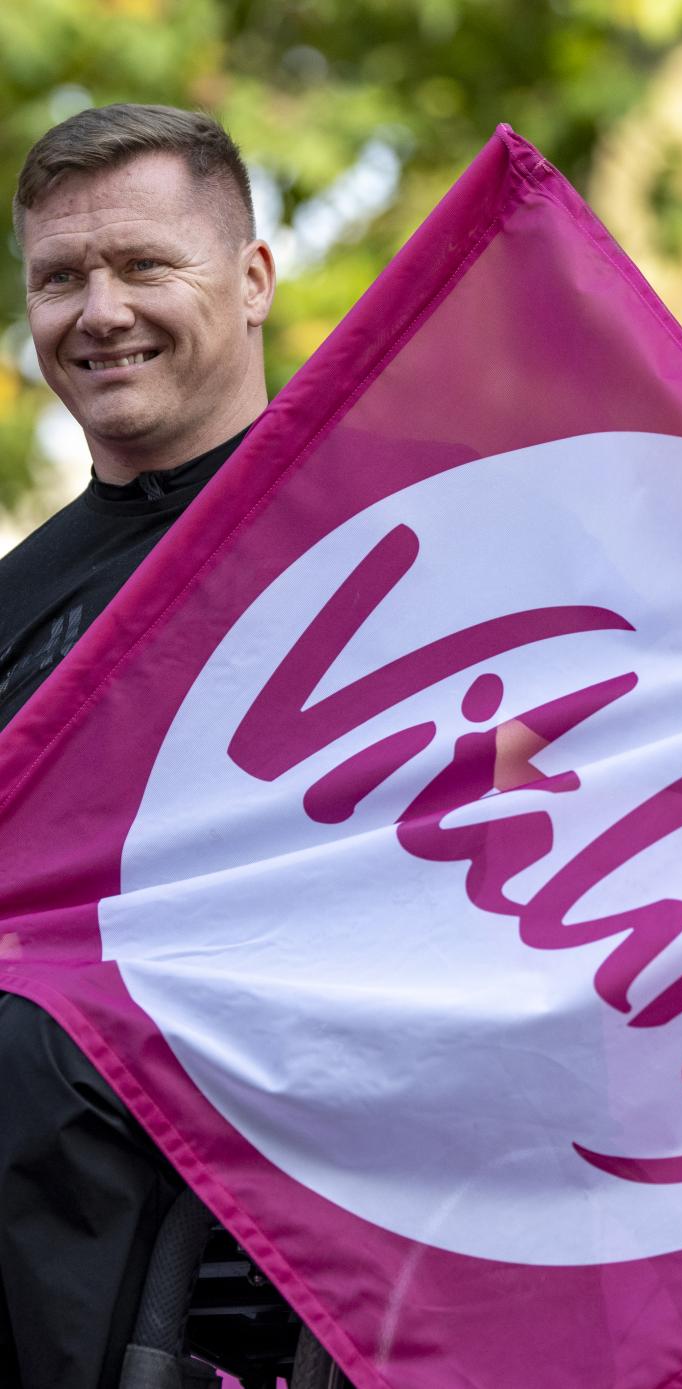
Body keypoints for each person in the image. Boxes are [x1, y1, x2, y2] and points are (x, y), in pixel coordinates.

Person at [0, 102, 275, 1389]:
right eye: (60, 279)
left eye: (145, 266)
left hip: (341, 1192)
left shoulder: (416, 525)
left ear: (254, 277)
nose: (98, 310)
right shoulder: (20, 604)